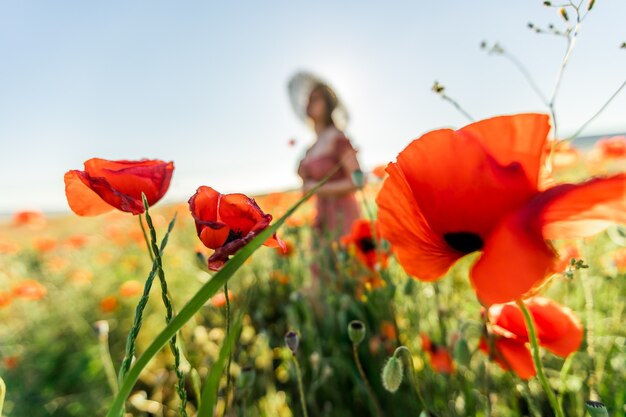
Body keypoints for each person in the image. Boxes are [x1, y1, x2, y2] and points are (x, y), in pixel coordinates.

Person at [291, 73, 363, 244]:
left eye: (315, 99)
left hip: (343, 216)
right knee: (324, 266)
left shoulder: (338, 138)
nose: (309, 103)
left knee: (346, 265)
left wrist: (318, 188)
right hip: (321, 217)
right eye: (308, 99)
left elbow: (358, 181)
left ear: (328, 105)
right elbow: (307, 189)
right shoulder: (310, 148)